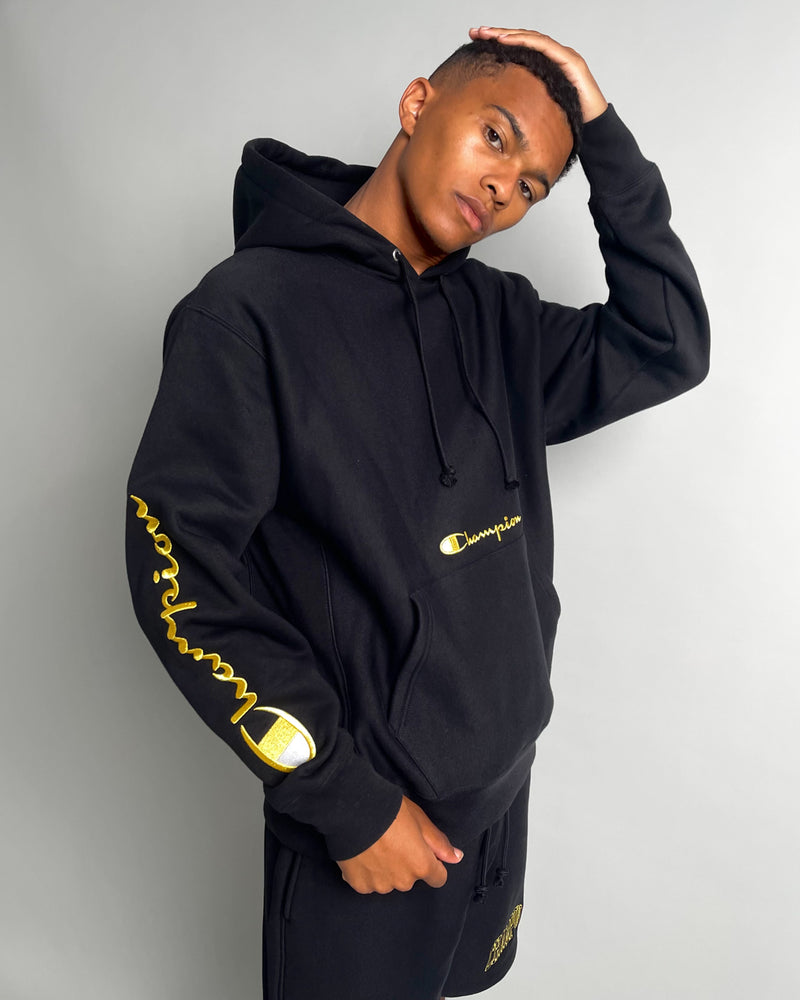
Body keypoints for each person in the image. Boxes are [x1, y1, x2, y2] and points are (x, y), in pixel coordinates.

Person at [125, 25, 709, 1000]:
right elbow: (179, 574)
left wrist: (602, 134)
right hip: (371, 821)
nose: (503, 186)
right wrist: (342, 801)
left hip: (498, 795)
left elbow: (668, 343)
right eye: (495, 137)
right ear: (415, 105)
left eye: (531, 186)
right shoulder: (248, 314)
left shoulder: (502, 318)